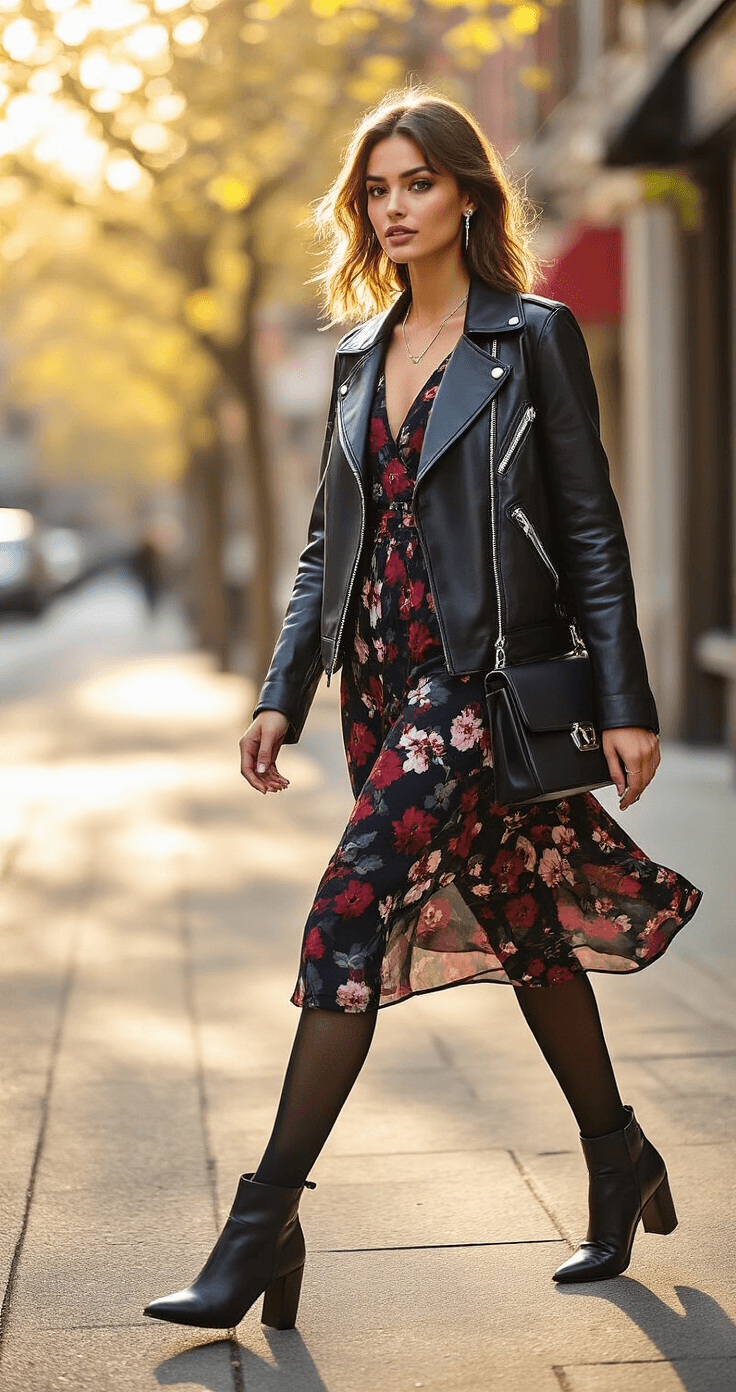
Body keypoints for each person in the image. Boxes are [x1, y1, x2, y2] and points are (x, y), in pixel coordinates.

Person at [144, 89, 702, 1332]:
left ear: (465, 194)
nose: (394, 208)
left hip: (479, 687)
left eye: (417, 184)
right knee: (523, 923)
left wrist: (625, 697)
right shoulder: (357, 355)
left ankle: (261, 1225)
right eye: (376, 190)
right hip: (379, 690)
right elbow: (322, 549)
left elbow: (589, 528)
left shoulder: (530, 338)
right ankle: (618, 1155)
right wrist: (281, 693)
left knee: (347, 914)